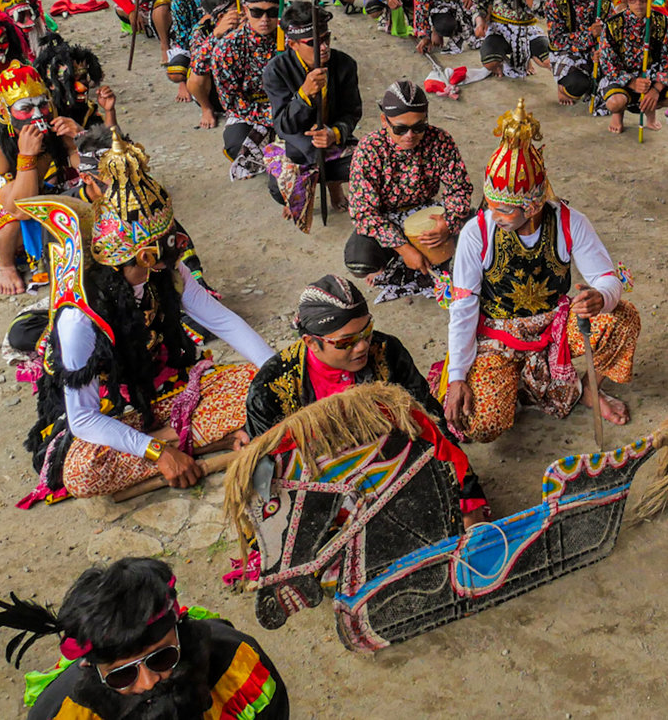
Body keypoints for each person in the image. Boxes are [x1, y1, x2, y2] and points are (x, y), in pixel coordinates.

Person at [15, 128, 276, 503]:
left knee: (262, 385)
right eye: (171, 243)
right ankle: (192, 441)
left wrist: (280, 373)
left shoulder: (166, 271)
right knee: (82, 473)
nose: (181, 247)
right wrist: (158, 452)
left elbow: (220, 319)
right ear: (145, 256)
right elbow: (85, 419)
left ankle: (183, 436)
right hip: (114, 413)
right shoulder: (81, 317)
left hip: (168, 389)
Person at [443, 98, 639, 443]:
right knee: (480, 425)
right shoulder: (479, 231)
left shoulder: (569, 223)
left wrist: (601, 297)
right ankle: (512, 381)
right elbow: (463, 305)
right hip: (497, 337)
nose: (494, 215)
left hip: (554, 328)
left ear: (532, 206)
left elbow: (606, 278)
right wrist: (457, 375)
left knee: (622, 318)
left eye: (503, 209)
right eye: (491, 205)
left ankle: (590, 390)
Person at [245, 273, 487, 523]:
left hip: (389, 468)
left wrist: (465, 494)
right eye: (346, 342)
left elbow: (431, 423)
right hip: (320, 492)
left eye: (367, 331)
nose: (362, 346)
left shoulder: (387, 351)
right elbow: (267, 476)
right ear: (311, 343)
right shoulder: (272, 387)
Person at [0, 557, 290, 719]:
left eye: (162, 657)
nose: (149, 682)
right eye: (122, 675)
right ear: (90, 668)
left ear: (178, 630)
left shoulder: (239, 667)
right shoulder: (62, 713)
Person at [345, 80, 472, 282]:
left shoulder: (440, 140)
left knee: (480, 229)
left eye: (419, 127)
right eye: (400, 129)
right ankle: (400, 256)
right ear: (384, 121)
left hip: (427, 212)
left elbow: (459, 188)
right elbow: (363, 212)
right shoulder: (369, 149)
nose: (410, 136)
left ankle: (418, 256)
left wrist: (447, 223)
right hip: (386, 218)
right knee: (359, 261)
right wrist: (403, 248)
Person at [262, 2, 361, 224]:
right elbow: (283, 125)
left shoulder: (345, 64)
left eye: (326, 38)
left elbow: (352, 112)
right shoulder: (276, 71)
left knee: (368, 166)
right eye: (313, 43)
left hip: (333, 141)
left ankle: (333, 185)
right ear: (293, 44)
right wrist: (304, 95)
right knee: (279, 189)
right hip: (297, 144)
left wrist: (335, 133)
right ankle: (298, 195)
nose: (323, 47)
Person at [0, 60, 81, 295]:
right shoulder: (0, 149)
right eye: (25, 108)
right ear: (5, 113)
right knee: (8, 217)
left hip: (31, 190)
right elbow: (19, 209)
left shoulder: (55, 130)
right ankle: (5, 266)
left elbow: (94, 174)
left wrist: (77, 142)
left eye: (42, 105)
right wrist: (26, 158)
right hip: (8, 205)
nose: (36, 114)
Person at [207, 0, 279, 162]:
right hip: (247, 112)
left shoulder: (289, 42)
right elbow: (231, 102)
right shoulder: (227, 48)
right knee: (237, 145)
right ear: (246, 11)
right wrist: (270, 116)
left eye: (272, 12)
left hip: (286, 110)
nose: (264, 19)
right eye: (257, 12)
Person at [599, 0, 668, 135]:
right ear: (626, 0)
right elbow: (608, 64)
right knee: (615, 102)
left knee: (652, 86)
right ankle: (618, 114)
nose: (639, 3)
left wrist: (656, 89)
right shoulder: (613, 25)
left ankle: (650, 114)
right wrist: (631, 82)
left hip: (652, 80)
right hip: (623, 79)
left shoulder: (663, 23)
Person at [544, 0, 612, 106]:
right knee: (577, 84)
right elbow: (557, 40)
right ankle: (562, 85)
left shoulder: (604, 3)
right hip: (567, 52)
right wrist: (589, 34)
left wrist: (603, 45)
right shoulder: (556, 1)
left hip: (595, 54)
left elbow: (615, 36)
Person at [167, 0, 227, 101]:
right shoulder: (181, 0)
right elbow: (182, 38)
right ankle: (186, 81)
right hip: (192, 46)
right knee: (177, 72)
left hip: (221, 43)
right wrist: (203, 24)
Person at [186, 0, 241, 128]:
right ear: (222, 14)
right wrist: (216, 35)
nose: (243, 12)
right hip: (217, 92)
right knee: (195, 77)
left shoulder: (250, 24)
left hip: (246, 90)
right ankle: (207, 108)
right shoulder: (202, 31)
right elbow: (198, 65)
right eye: (238, 8)